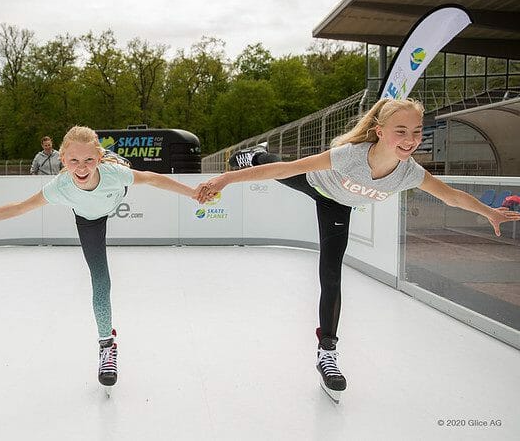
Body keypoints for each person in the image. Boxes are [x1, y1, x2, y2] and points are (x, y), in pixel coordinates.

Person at [196, 98, 520, 403]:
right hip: (316, 183)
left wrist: (488, 212)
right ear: (380, 132)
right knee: (277, 166)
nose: (410, 140)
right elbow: (286, 169)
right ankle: (254, 154)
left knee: (331, 273)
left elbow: (450, 196)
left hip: (339, 207)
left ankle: (327, 353)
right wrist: (227, 178)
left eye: (417, 132)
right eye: (401, 132)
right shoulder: (350, 155)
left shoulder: (410, 173)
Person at [0, 125, 196, 389]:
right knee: (100, 280)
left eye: (89, 159)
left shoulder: (113, 175)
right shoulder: (61, 186)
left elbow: (151, 178)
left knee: (122, 173)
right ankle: (107, 345)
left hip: (115, 189)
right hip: (89, 220)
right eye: (74, 161)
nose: (81, 168)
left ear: (98, 158)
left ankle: (115, 157)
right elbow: (20, 207)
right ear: (62, 160)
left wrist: (193, 193)